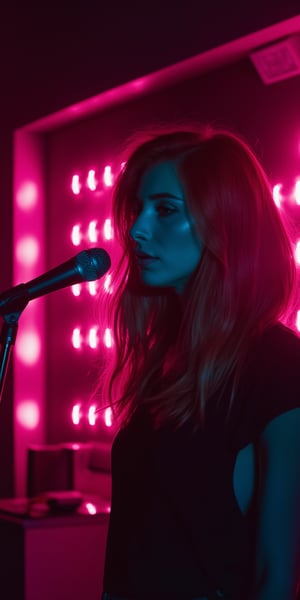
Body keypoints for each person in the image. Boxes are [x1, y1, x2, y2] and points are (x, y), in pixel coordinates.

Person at [99, 124, 300, 600]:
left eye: (165, 209)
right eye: (138, 209)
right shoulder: (164, 362)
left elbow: (276, 573)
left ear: (225, 220)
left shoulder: (276, 363)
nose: (137, 229)